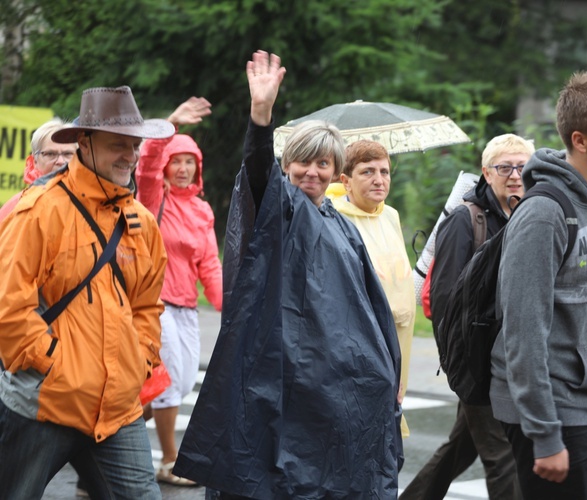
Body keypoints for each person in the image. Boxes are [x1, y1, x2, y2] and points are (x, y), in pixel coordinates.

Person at [173, 50, 402, 499]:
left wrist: (389, 374)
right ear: (287, 164)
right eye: (303, 162)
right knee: (277, 477)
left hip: (339, 386)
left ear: (336, 171)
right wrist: (261, 116)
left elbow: (369, 304)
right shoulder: (280, 207)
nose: (311, 172)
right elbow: (259, 172)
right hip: (282, 376)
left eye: (322, 164)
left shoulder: (341, 224)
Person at [0, 86, 172, 498]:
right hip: (45, 402)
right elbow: (8, 306)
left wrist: (140, 362)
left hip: (118, 409)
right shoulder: (38, 210)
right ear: (84, 143)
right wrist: (53, 366)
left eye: (134, 145)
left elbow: (148, 304)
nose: (130, 155)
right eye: (118, 145)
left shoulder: (142, 222)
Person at [490, 71, 587, 500]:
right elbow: (522, 330)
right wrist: (544, 433)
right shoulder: (544, 215)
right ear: (581, 140)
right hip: (554, 413)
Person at [400, 134, 532, 500]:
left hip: (515, 359)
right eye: (504, 167)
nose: (515, 174)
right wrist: (463, 365)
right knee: (503, 457)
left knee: (461, 448)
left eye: (522, 166)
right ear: (486, 174)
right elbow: (445, 300)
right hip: (481, 365)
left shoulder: (530, 215)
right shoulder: (465, 220)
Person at [135, 96, 221, 486]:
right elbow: (147, 165)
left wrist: (230, 307)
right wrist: (169, 124)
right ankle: (170, 460)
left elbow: (209, 264)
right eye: (177, 161)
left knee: (182, 384)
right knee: (167, 382)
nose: (183, 168)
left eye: (190, 161)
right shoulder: (155, 199)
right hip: (155, 305)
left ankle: (108, 433)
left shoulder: (202, 210)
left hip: (187, 308)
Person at [326, 139, 414, 437]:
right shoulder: (334, 218)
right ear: (345, 181)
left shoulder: (390, 215)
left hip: (399, 338)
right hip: (362, 341)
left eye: (384, 171)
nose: (379, 179)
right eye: (367, 172)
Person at [0, 118, 77, 220]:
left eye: (68, 154)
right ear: (35, 160)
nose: (60, 161)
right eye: (50, 154)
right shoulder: (16, 206)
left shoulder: (95, 201)